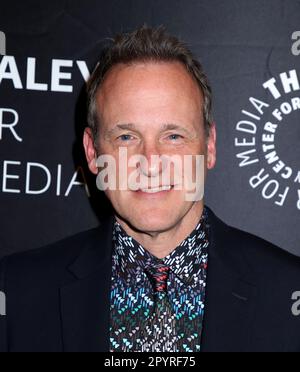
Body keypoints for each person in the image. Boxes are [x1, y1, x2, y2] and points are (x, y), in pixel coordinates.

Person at [1, 25, 300, 353]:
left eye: (173, 136)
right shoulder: (17, 294)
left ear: (210, 146)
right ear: (92, 152)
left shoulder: (288, 294)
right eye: (126, 137)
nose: (151, 162)